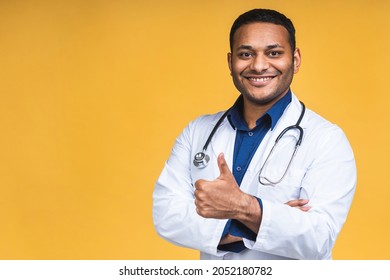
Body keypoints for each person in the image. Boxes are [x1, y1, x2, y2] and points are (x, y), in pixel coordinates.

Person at [152, 8, 356, 260]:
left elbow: (318, 238)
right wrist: (262, 218)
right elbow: (167, 216)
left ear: (296, 59)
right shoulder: (198, 132)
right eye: (246, 54)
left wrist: (241, 206)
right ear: (230, 62)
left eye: (274, 53)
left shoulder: (327, 139)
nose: (259, 66)